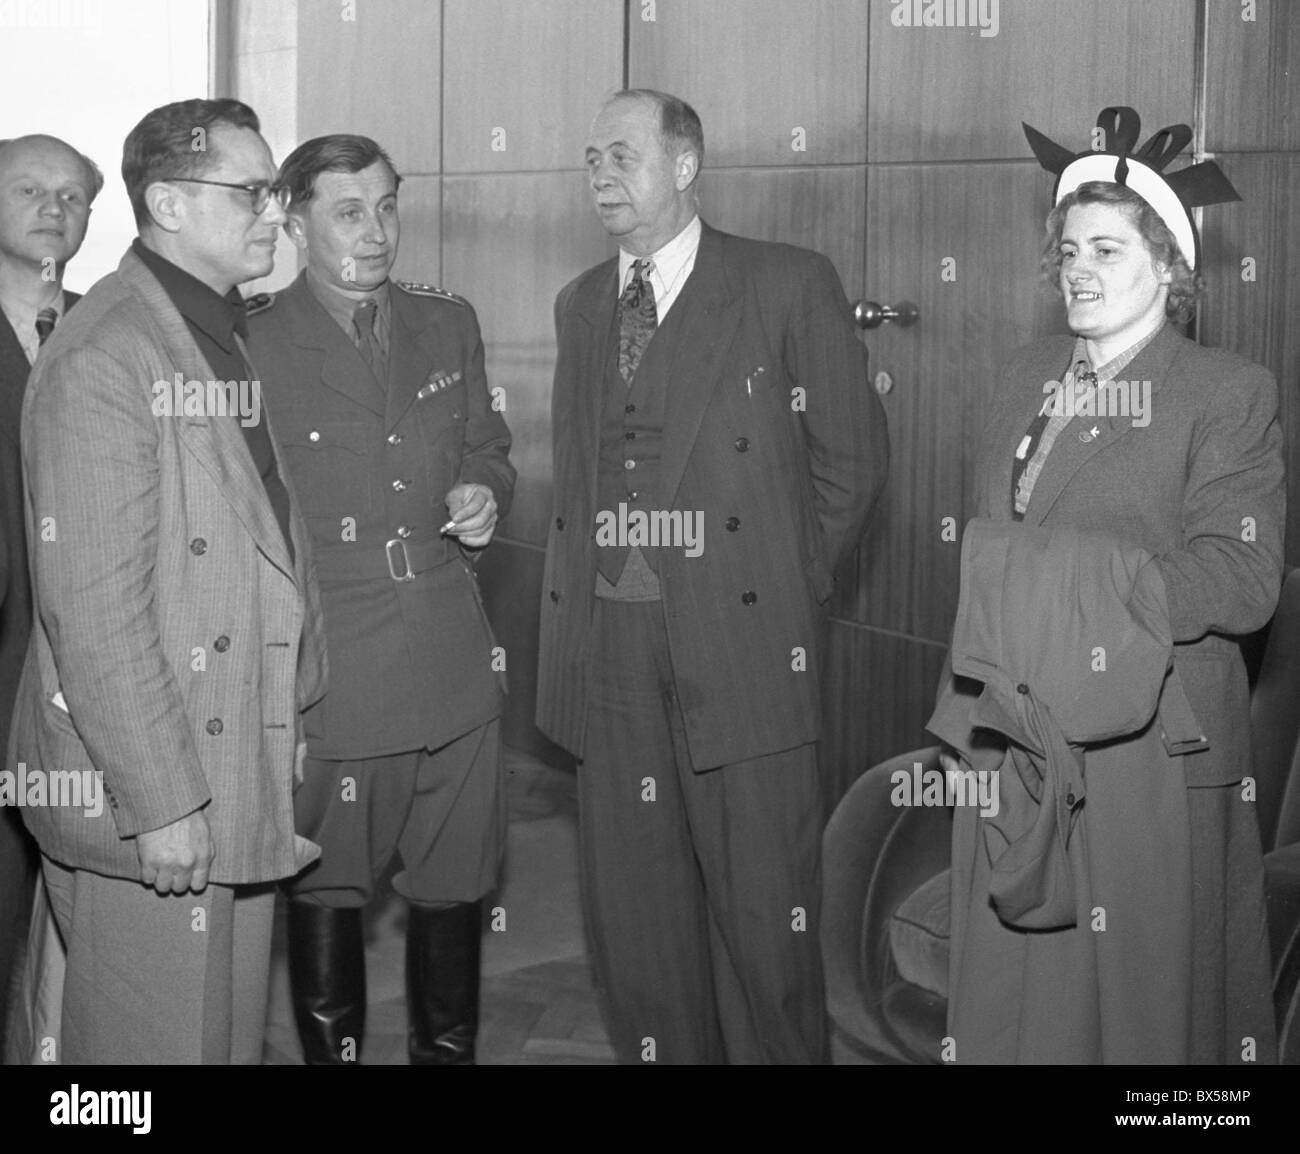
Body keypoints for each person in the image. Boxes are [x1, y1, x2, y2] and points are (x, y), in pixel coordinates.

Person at [537, 89, 889, 1064]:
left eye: (622, 153)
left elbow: (852, 460)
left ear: (685, 165)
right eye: (590, 157)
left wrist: (777, 579)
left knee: (760, 916)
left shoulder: (783, 283)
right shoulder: (579, 305)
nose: (600, 173)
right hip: (608, 655)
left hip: (740, 648)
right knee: (637, 926)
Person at [929, 107, 1282, 1063]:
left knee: (1147, 1022)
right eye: (1069, 247)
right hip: (1023, 738)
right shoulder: (1025, 373)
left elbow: (1242, 576)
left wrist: (1063, 608)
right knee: (1022, 1007)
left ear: (1169, 267)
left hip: (1151, 748)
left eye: (1111, 250)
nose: (1080, 268)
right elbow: (991, 551)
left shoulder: (1225, 391)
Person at [12, 98, 326, 1064]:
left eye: (273, 189)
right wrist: (164, 803)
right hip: (159, 796)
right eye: (251, 190)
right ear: (169, 205)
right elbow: (95, 613)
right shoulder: (110, 354)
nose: (274, 210)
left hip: (229, 764)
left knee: (219, 1042)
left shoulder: (210, 330)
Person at [248, 134, 514, 1065]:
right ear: (291, 220)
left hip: (452, 655)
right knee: (329, 886)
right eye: (348, 211)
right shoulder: (250, 340)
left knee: (455, 881)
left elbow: (488, 442)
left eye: (389, 206)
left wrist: (485, 492)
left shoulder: (447, 322)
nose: (378, 231)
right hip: (341, 663)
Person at [0, 133, 100, 1055]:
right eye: (30, 188)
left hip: (76, 649)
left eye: (73, 196)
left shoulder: (99, 329)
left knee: (62, 879)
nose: (53, 208)